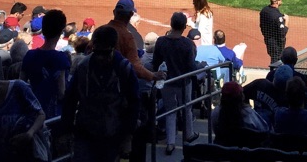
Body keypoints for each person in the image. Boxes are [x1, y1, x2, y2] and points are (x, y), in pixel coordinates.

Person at [61, 23, 140, 162]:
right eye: (97, 52)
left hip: (113, 135)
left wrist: (128, 137)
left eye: (105, 53)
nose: (100, 57)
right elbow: (70, 99)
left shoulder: (124, 69)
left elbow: (133, 103)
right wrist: (66, 129)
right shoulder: (83, 66)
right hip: (85, 133)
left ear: (114, 48)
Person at [152, 11, 201, 154]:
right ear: (184, 27)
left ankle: (170, 143)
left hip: (167, 82)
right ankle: (189, 134)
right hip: (183, 82)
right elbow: (191, 67)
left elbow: (156, 63)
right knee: (186, 108)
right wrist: (195, 80)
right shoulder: (187, 44)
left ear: (171, 24)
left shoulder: (161, 41)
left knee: (170, 111)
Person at [19, 9, 71, 119]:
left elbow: (21, 85)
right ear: (61, 31)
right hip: (54, 115)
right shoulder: (61, 58)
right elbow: (61, 93)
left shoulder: (30, 55)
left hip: (33, 111)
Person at [213, 80, 269, 146]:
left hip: (224, 151)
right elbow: (264, 131)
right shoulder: (249, 114)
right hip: (248, 152)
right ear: (241, 97)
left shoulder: (216, 113)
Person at [259, 0, 288, 65]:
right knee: (276, 61)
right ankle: (273, 75)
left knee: (273, 57)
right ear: (276, 2)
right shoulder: (277, 16)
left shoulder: (264, 10)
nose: (281, 1)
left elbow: (261, 26)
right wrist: (287, 20)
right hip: (277, 44)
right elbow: (283, 32)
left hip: (268, 40)